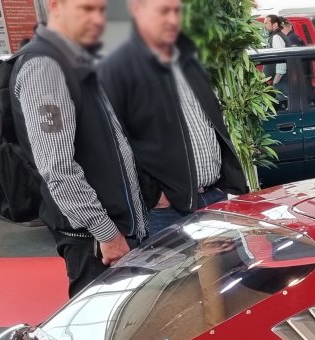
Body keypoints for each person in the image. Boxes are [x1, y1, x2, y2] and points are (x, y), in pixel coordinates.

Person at [13, 0, 147, 295]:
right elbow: (57, 168)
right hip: (94, 239)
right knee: (105, 319)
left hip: (114, 229)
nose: (98, 18)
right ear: (56, 6)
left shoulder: (75, 60)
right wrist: (106, 233)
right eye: (87, 8)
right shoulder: (46, 67)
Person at [100, 0, 248, 238]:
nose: (172, 18)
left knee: (229, 262)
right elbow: (114, 142)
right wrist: (153, 194)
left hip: (214, 196)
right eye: (163, 11)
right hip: (168, 208)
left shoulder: (188, 60)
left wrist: (228, 180)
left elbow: (211, 122)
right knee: (178, 265)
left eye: (176, 10)